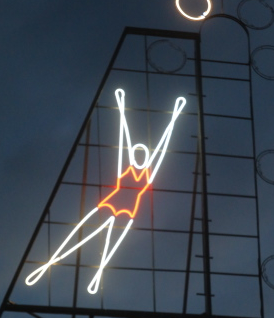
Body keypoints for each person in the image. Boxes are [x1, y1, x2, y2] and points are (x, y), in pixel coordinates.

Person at [25, 88, 186, 294]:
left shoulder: (148, 174)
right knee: (80, 233)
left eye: (142, 155)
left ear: (146, 157)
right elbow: (123, 141)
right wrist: (121, 110)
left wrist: (173, 118)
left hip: (127, 211)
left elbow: (162, 148)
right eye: (136, 154)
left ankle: (98, 272)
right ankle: (49, 263)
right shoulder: (125, 168)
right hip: (110, 202)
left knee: (108, 247)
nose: (139, 157)